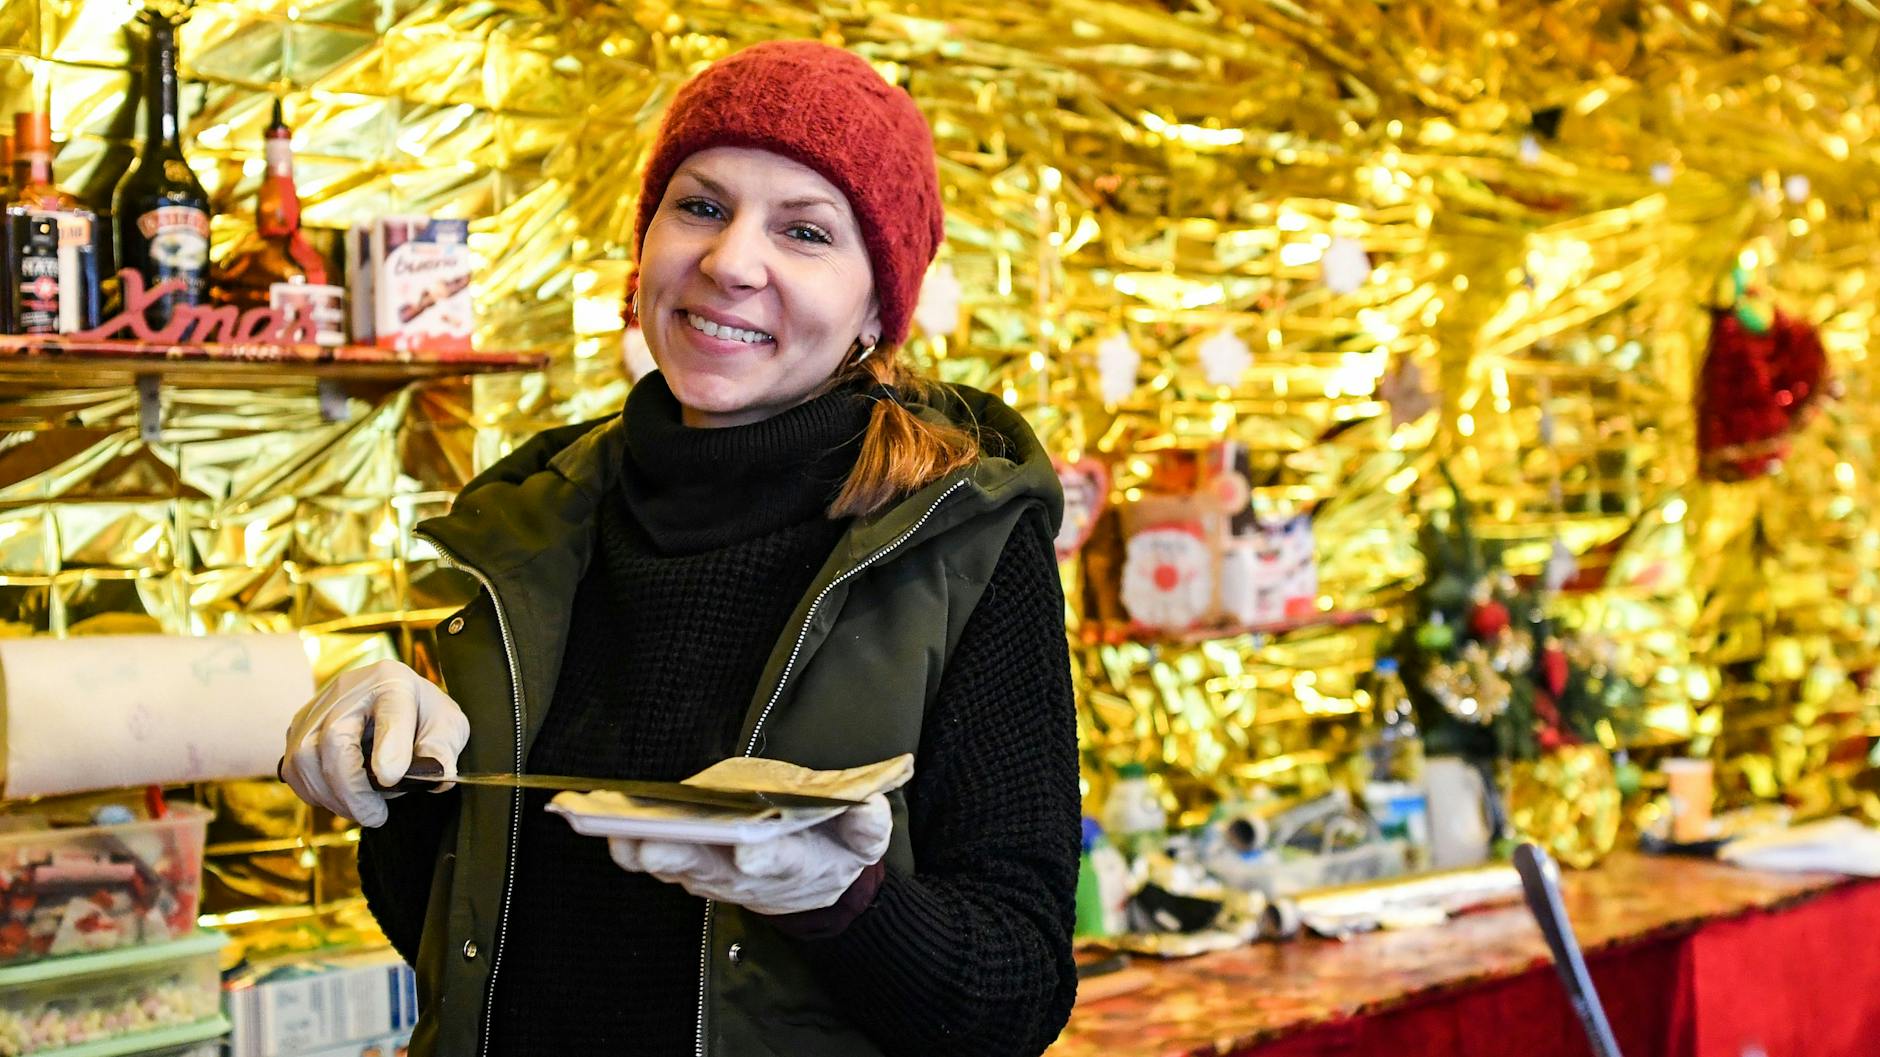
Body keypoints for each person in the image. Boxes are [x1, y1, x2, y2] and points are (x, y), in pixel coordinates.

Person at [279, 39, 1081, 1057]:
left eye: (804, 231)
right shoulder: (527, 522)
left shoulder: (959, 545)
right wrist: (395, 788)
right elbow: (459, 937)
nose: (730, 262)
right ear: (645, 241)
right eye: (700, 206)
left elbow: (1013, 993)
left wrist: (840, 897)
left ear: (877, 305)